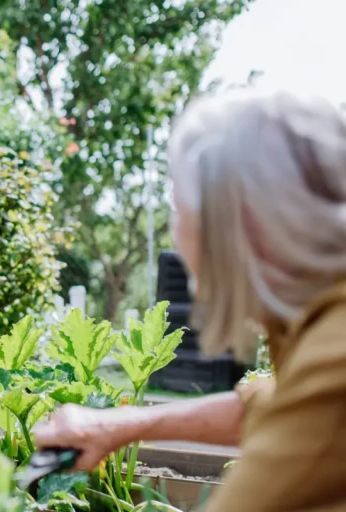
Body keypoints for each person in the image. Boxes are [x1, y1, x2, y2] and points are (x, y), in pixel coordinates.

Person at [33, 87, 346, 510]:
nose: (176, 237)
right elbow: (280, 408)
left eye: (179, 210)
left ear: (240, 222)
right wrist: (118, 424)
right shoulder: (318, 320)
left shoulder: (335, 356)